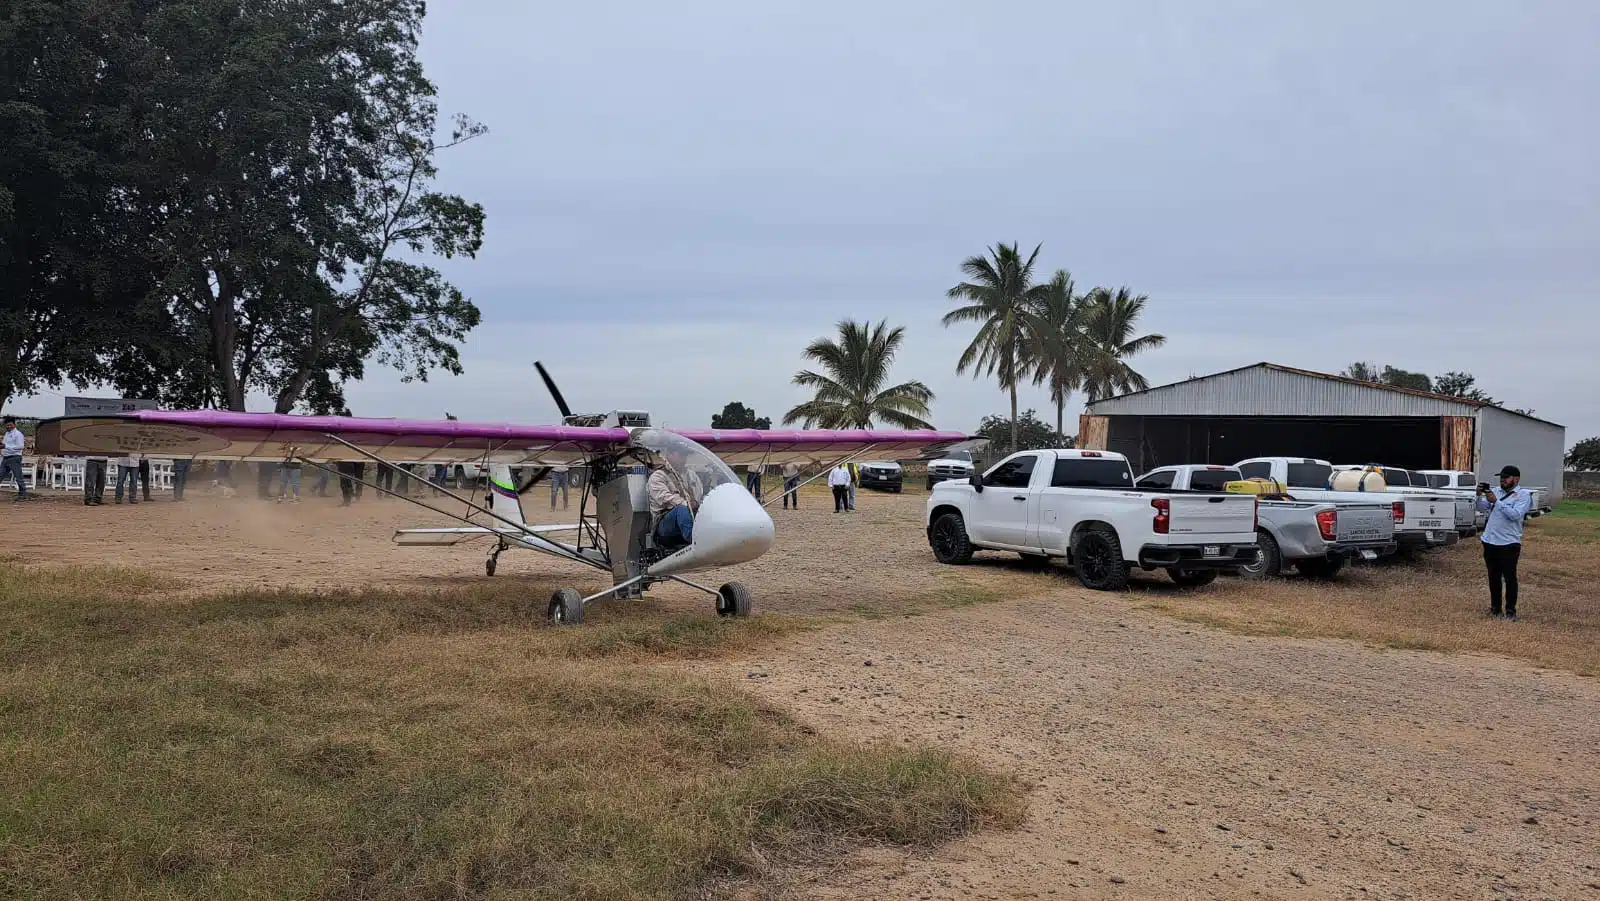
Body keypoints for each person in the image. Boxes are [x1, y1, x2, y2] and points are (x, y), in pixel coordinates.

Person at [1478, 464, 1533, 620]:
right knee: (1493, 576)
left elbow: (1515, 515)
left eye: (1506, 478)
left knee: (1509, 578)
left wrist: (1497, 502)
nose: (1502, 480)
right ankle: (1495, 609)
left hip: (1509, 543)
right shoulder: (1495, 491)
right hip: (1490, 541)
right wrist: (1478, 495)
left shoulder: (1523, 495)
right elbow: (1481, 508)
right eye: (1501, 478)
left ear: (1515, 479)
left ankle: (1510, 611)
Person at [647, 451, 700, 548]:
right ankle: (695, 540)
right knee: (681, 509)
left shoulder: (691, 475)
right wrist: (686, 503)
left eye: (685, 455)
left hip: (690, 515)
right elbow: (665, 498)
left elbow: (699, 494)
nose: (684, 459)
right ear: (669, 455)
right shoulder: (658, 476)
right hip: (664, 525)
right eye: (680, 455)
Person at [1, 416, 27, 501]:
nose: (8, 426)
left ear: (14, 424)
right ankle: (22, 494)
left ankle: (23, 494)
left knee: (18, 476)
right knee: (0, 474)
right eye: (7, 425)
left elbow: (20, 446)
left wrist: (6, 446)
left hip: (14, 458)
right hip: (6, 457)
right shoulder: (6, 434)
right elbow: (4, 445)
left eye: (10, 425)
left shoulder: (18, 434)